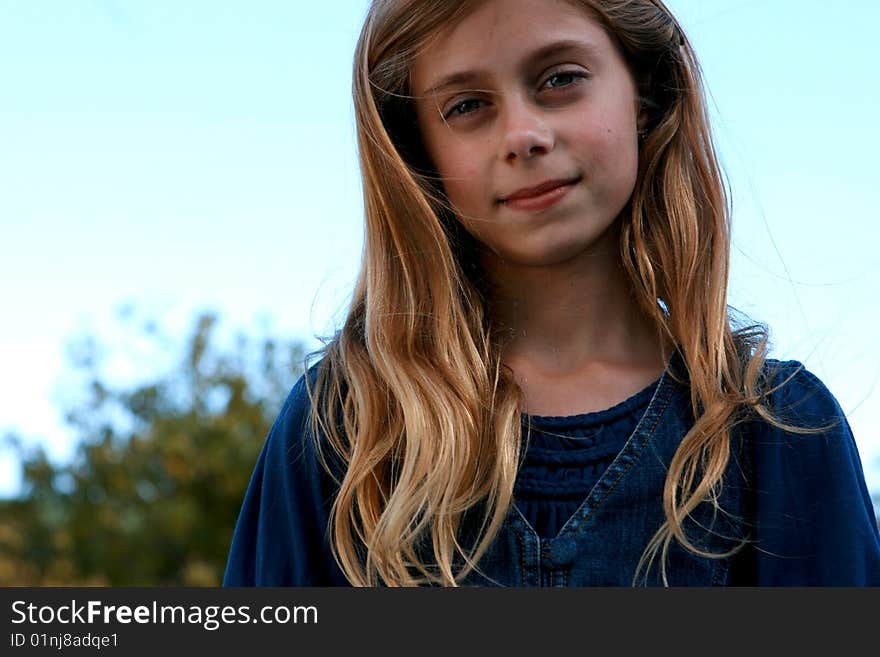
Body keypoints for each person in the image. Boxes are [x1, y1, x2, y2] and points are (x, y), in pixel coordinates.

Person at [222, 0, 880, 586]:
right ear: (420, 152)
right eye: (468, 106)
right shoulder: (347, 429)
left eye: (560, 79)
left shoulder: (778, 431)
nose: (523, 135)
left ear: (643, 94)